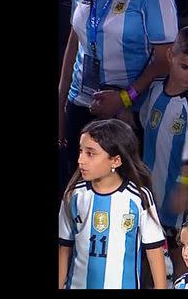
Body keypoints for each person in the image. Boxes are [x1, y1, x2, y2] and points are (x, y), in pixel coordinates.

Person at [58, 0, 178, 197]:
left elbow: (166, 58)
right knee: (77, 194)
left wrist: (125, 97)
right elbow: (75, 37)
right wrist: (62, 100)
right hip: (81, 102)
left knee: (121, 195)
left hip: (128, 113)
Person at [133, 25, 188, 279]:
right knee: (151, 246)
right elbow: (145, 127)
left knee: (182, 251)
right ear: (171, 56)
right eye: (185, 67)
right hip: (153, 188)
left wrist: (183, 187)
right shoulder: (156, 89)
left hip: (180, 192)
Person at [58, 119, 166, 289]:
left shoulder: (138, 198)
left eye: (90, 153)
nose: (80, 160)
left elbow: (155, 251)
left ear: (115, 161)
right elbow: (64, 247)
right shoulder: (74, 195)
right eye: (80, 151)